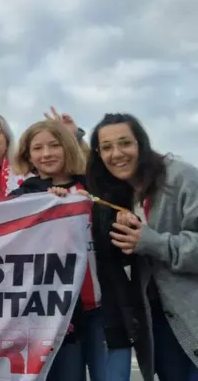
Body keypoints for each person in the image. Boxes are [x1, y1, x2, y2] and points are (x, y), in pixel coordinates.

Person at [86, 113, 198, 381]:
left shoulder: (180, 177)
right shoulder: (120, 193)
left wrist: (151, 242)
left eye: (125, 143)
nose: (117, 154)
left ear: (142, 144)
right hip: (156, 320)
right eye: (107, 147)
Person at [10, 119, 103, 381]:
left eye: (54, 145)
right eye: (38, 148)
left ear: (67, 147)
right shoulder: (22, 197)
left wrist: (94, 208)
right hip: (57, 312)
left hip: (102, 306)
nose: (47, 153)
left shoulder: (93, 187)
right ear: (28, 155)